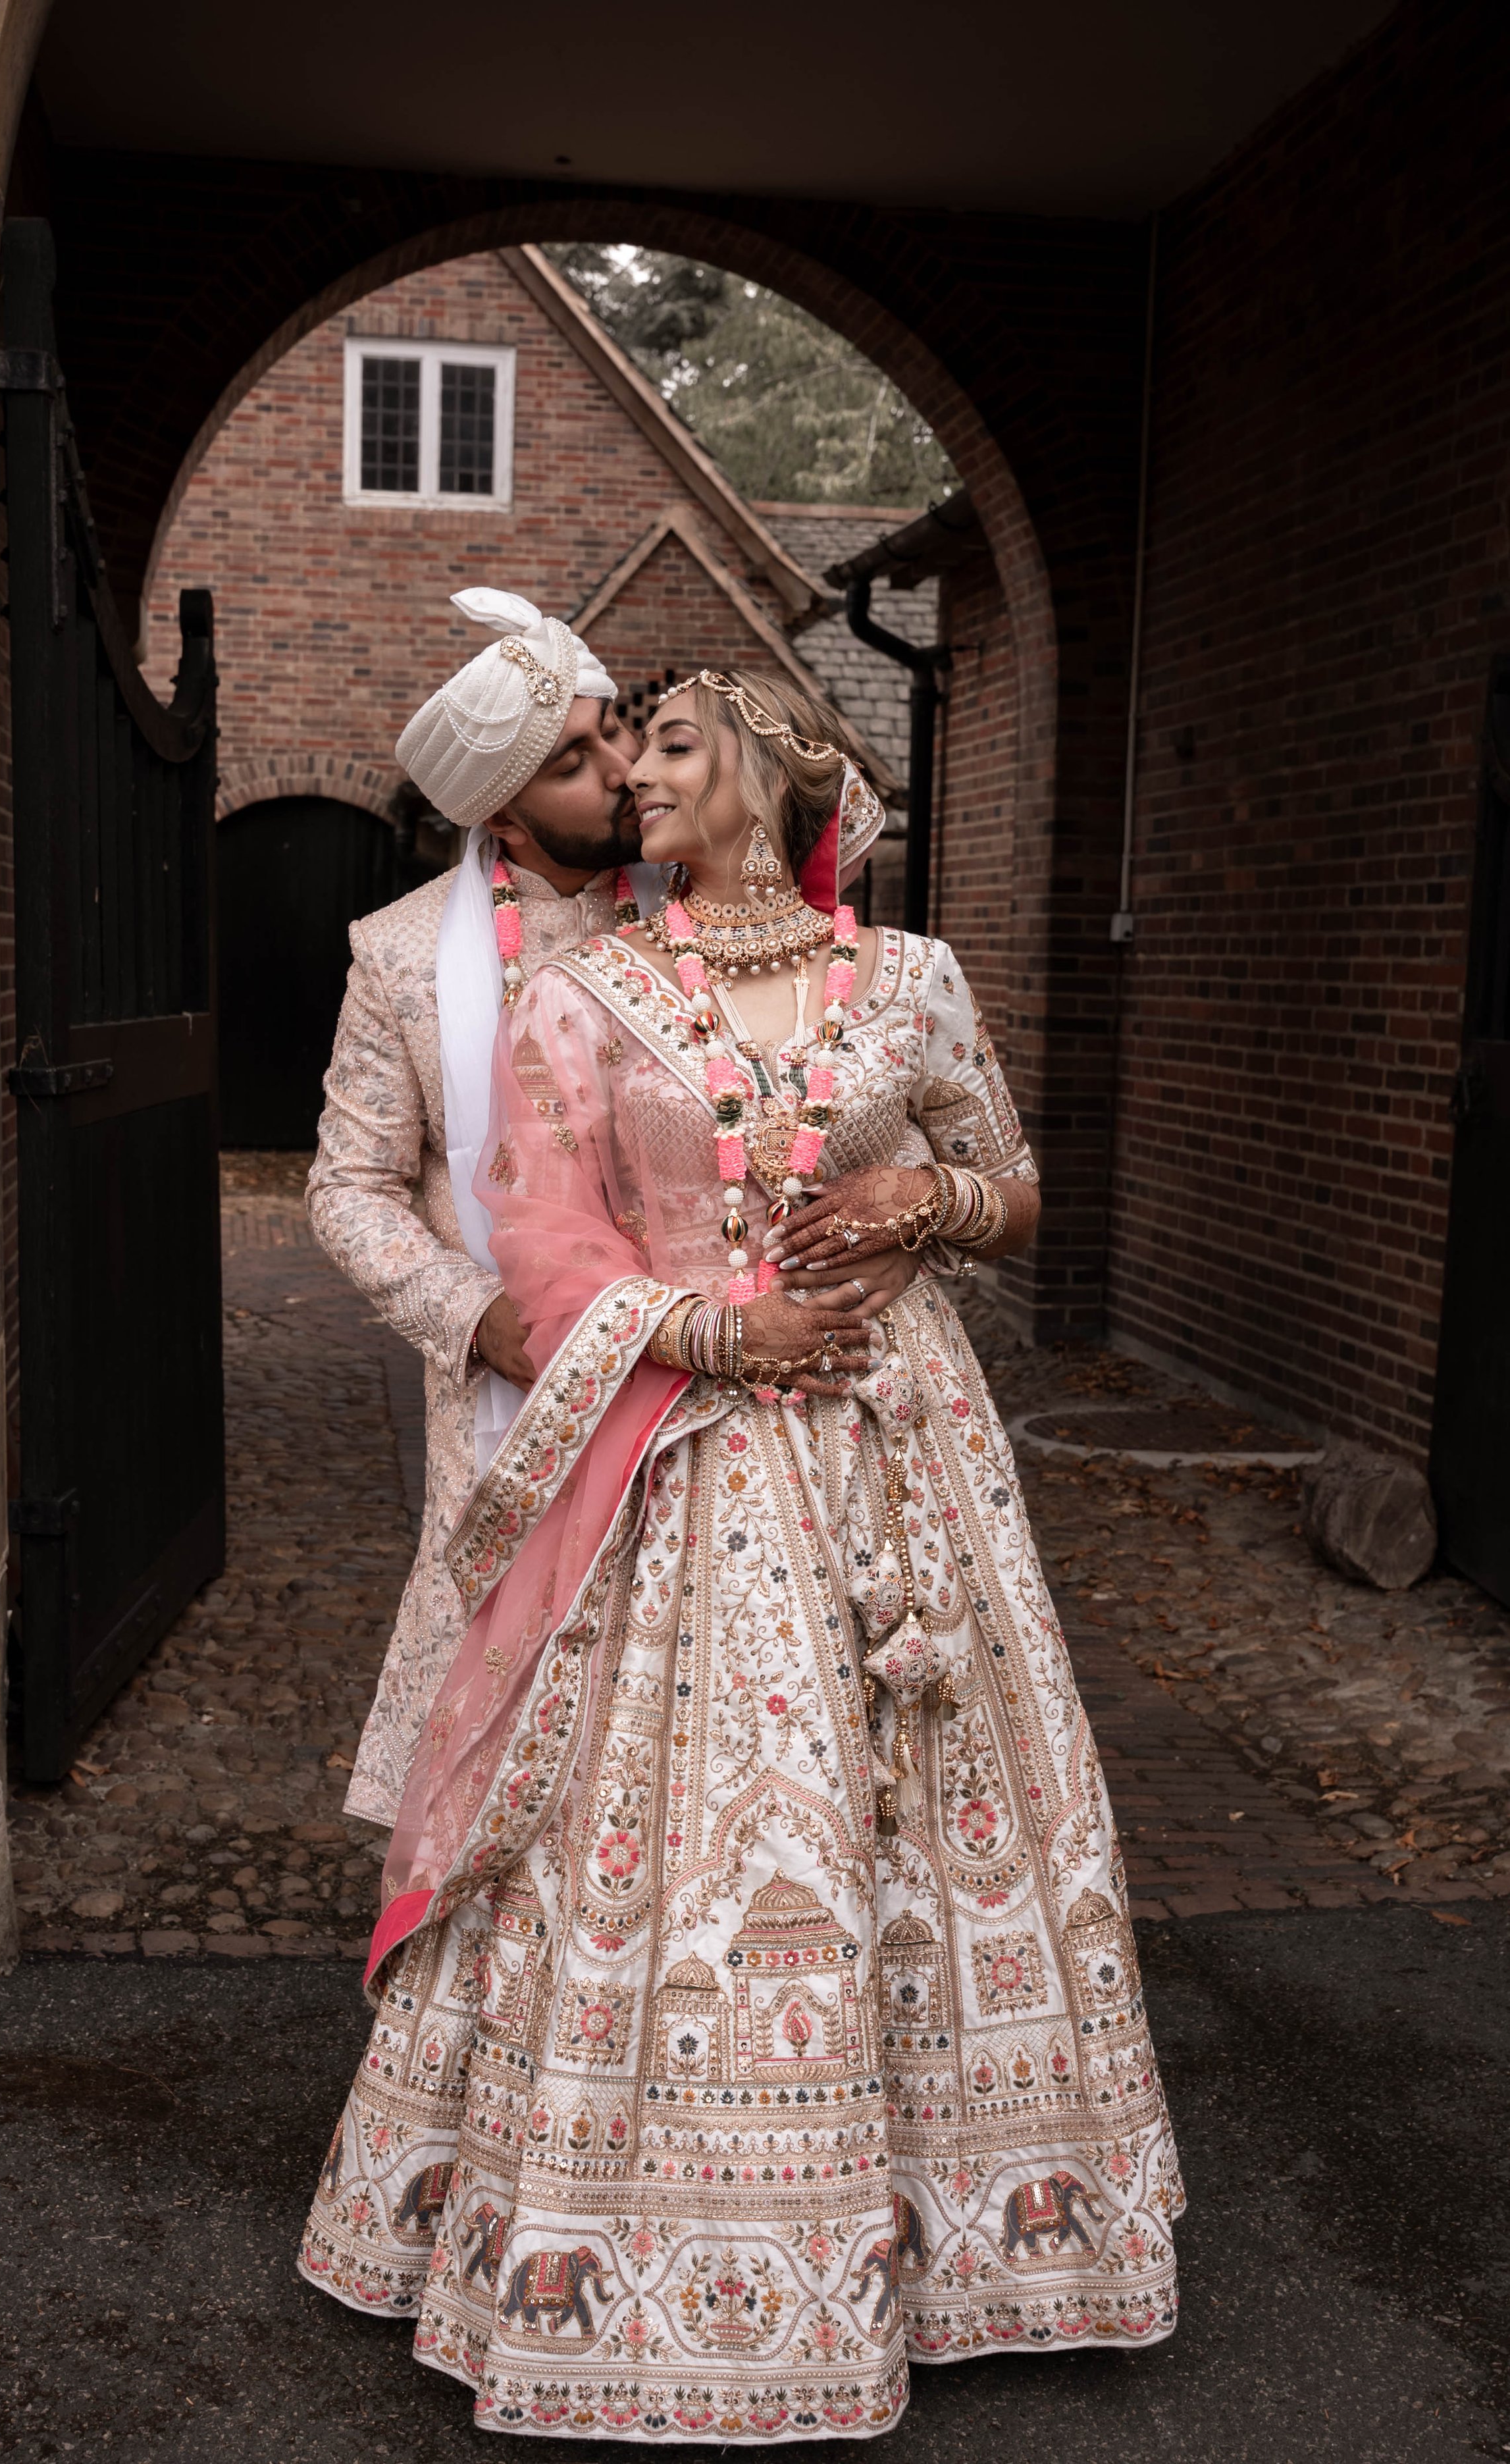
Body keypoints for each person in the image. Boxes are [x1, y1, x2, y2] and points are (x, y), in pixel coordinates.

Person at [301, 669, 1182, 2439]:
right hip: (684, 1460)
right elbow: (538, 1233)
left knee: (929, 1806)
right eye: (615, 752)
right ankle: (621, 2242)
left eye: (670, 744)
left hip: (903, 1462)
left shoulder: (913, 978)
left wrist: (912, 1204)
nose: (633, 773)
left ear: (783, 774)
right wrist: (700, 1338)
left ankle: (965, 2235)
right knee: (682, 1825)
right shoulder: (585, 987)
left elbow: (1011, 1189)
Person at [308, 588, 660, 1826]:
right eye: (576, 758)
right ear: (501, 809)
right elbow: (348, 1189)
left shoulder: (705, 913)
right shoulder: (403, 959)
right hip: (511, 1395)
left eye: (619, 729)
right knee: (507, 1757)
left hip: (702, 1375)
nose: (624, 768)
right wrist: (475, 1315)